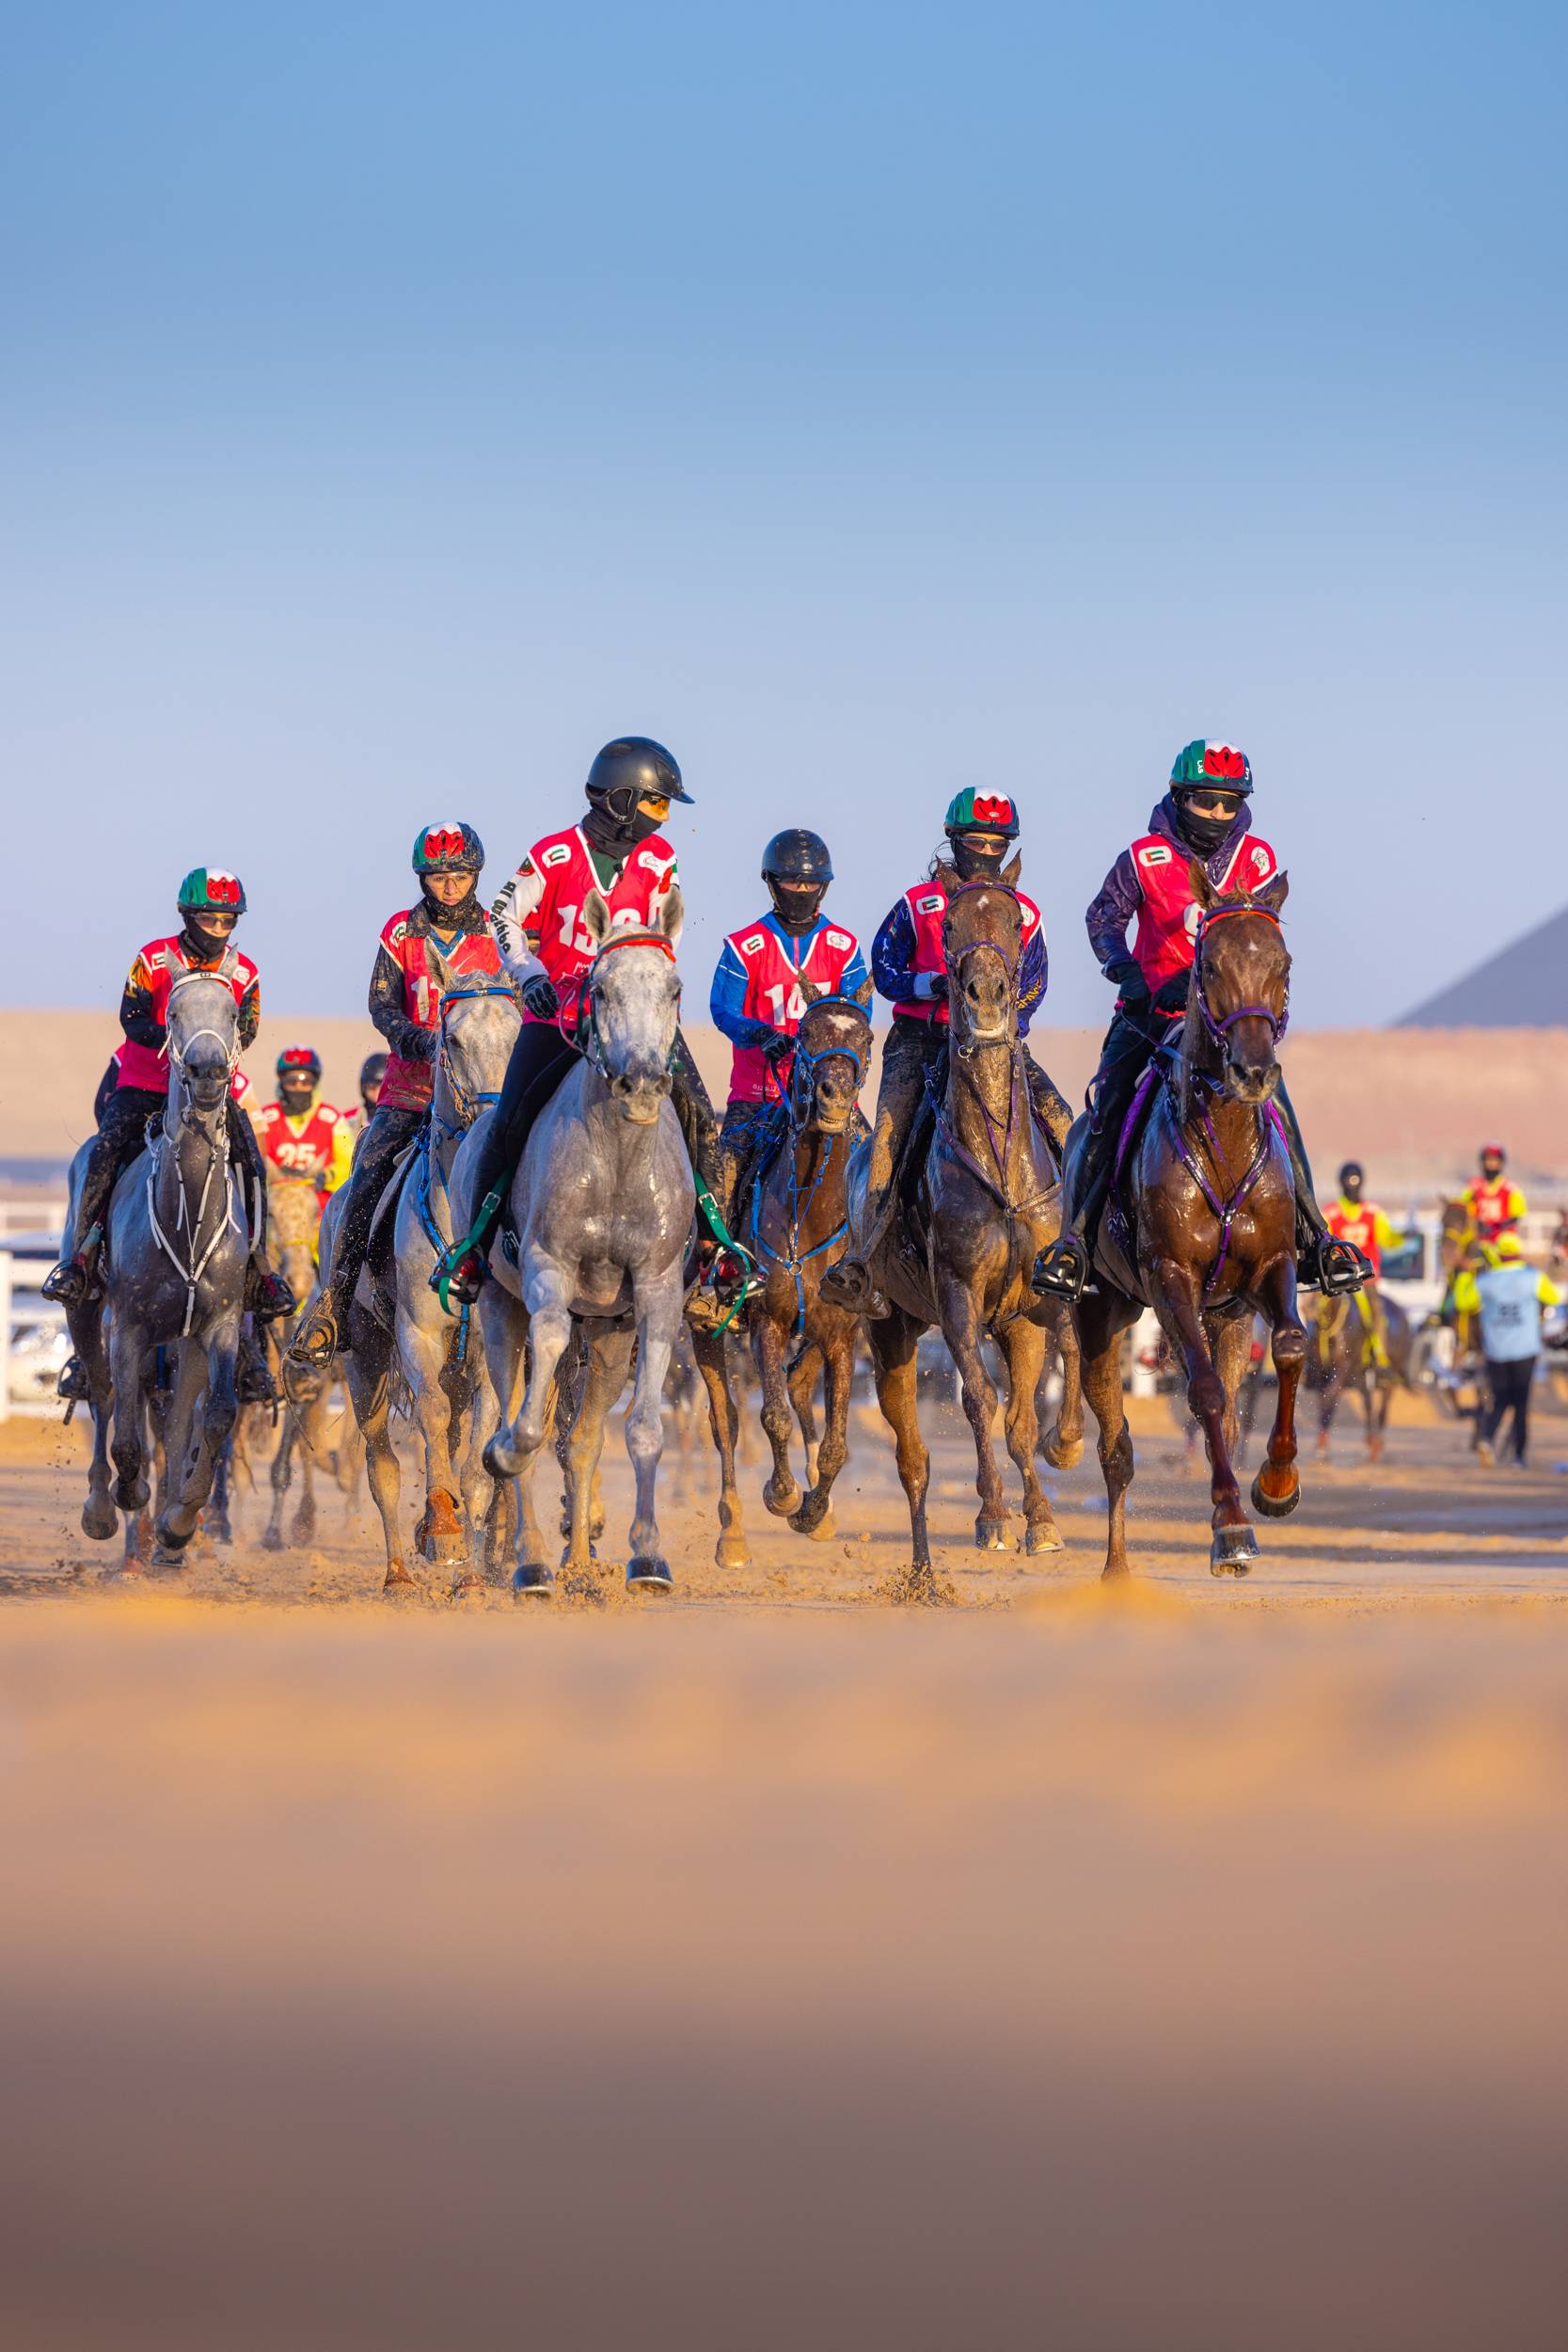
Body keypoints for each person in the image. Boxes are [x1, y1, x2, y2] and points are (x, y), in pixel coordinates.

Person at [1033, 740, 1368, 1301]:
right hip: (1149, 1018)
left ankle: (1317, 1240)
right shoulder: (1141, 858)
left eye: (1228, 803)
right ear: (1180, 797)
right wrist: (1123, 969)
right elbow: (1102, 919)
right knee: (1106, 1110)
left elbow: (1260, 938)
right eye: (1206, 801)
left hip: (1228, 1029)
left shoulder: (1258, 860)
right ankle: (1076, 1244)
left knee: (1279, 1112)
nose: (1217, 813)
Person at [431, 738, 721, 1306]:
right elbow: (503, 913)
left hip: (635, 1020)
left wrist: (648, 988)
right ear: (619, 799)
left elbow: (667, 936)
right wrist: (530, 974)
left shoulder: (661, 862)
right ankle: (475, 1249)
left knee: (699, 1115)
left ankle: (715, 1251)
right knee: (507, 1118)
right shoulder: (552, 855)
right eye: (657, 804)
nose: (663, 820)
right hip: (560, 1013)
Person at [823, 788, 1073, 1318]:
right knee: (888, 1142)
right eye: (974, 840)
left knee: (1064, 1123)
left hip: (994, 1046)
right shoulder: (916, 904)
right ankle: (864, 1263)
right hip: (920, 1041)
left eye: (996, 842)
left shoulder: (1024, 911)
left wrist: (1006, 1025)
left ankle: (1071, 1251)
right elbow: (884, 969)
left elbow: (1035, 981)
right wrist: (929, 984)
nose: (985, 849)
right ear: (954, 842)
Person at [43, 869, 293, 1319]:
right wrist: (179, 1036)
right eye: (208, 919)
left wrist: (209, 1052)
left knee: (252, 1162)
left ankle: (259, 1269)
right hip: (144, 1085)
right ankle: (79, 1259)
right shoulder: (152, 959)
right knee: (105, 1153)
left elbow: (249, 1026)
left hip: (209, 1094)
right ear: (187, 915)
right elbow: (131, 1017)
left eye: (228, 921)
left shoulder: (245, 972)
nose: (218, 930)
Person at [290, 822, 495, 1365]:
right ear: (423, 878)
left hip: (484, 1094)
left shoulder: (499, 934)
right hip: (410, 1090)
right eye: (438, 877)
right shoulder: (400, 932)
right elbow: (381, 1005)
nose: (450, 887)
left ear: (475, 874)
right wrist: (419, 1041)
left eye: (459, 875)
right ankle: (335, 1303)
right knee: (366, 1177)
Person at [709, 826, 871, 1221]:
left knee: (877, 1173)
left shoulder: (844, 948)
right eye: (791, 881)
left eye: (810, 882)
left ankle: (874, 1266)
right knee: (719, 1188)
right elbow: (722, 1009)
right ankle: (718, 1265)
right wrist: (761, 1034)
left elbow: (859, 1016)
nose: (801, 890)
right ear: (772, 883)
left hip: (828, 1096)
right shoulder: (743, 946)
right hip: (756, 1096)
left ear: (823, 886)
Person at [1452, 1232, 1562, 1467]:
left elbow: (1463, 1303)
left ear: (1499, 1256)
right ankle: (1519, 1456)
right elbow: (1553, 1296)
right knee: (1521, 1404)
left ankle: (1487, 1438)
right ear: (1518, 1253)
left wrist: (1463, 1276)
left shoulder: (1486, 1280)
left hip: (1496, 1350)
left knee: (1500, 1400)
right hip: (1525, 1349)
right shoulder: (1532, 1277)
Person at [255, 1047, 354, 1210]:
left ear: (315, 1084)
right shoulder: (265, 1119)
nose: (298, 1087)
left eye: (305, 1082)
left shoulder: (333, 1121)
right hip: (276, 1212)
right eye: (291, 1082)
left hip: (320, 1214)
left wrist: (326, 1175)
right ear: (281, 1083)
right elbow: (254, 1164)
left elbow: (348, 1165)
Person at [1325, 1162, 1401, 1368]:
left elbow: (1387, 1238)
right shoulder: (1331, 1213)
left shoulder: (1373, 1212)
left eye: (1355, 1181)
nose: (1352, 1186)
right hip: (1339, 1280)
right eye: (1349, 1181)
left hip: (1367, 1279)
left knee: (1377, 1310)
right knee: (1317, 1311)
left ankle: (1381, 1355)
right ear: (1341, 1183)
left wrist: (1401, 1238)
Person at [1462, 1144, 1527, 1248]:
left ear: (1501, 1163)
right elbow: (1464, 1209)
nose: (1491, 1164)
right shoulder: (1472, 1187)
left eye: (1495, 1161)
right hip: (1479, 1237)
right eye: (1488, 1160)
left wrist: (1497, 1227)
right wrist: (1477, 1225)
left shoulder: (1511, 1189)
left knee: (1510, 1245)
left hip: (1503, 1239)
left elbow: (1517, 1215)